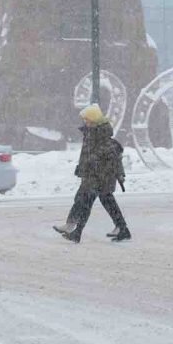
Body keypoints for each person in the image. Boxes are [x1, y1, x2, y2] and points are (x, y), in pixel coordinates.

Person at [53, 104, 130, 243]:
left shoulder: (101, 136)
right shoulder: (91, 133)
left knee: (85, 202)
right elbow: (88, 155)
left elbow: (108, 158)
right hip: (93, 176)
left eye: (87, 120)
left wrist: (118, 174)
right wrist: (82, 168)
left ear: (94, 120)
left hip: (99, 177)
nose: (85, 122)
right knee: (96, 201)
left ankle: (75, 230)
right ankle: (122, 228)